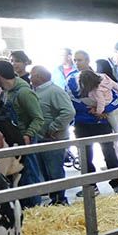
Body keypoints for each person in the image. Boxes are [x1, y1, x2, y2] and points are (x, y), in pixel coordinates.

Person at [66, 50, 118, 195]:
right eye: (75, 60)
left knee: (109, 153)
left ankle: (117, 184)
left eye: (80, 60)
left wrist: (104, 109)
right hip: (82, 124)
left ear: (88, 60)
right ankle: (90, 186)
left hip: (102, 122)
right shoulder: (71, 79)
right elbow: (71, 99)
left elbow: (117, 97)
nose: (77, 63)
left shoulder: (101, 78)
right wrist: (91, 109)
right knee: (85, 156)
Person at [0, 59, 44, 205]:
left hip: (25, 139)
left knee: (30, 175)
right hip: (12, 141)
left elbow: (38, 118)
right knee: (17, 178)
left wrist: (28, 134)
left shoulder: (24, 92)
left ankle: (35, 208)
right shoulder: (5, 93)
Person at [29, 66, 74, 205]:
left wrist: (53, 127)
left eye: (32, 75)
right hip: (42, 138)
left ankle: (60, 199)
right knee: (46, 172)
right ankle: (54, 199)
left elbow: (69, 112)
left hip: (54, 139)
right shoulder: (36, 91)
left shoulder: (54, 91)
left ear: (39, 77)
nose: (30, 78)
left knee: (54, 171)